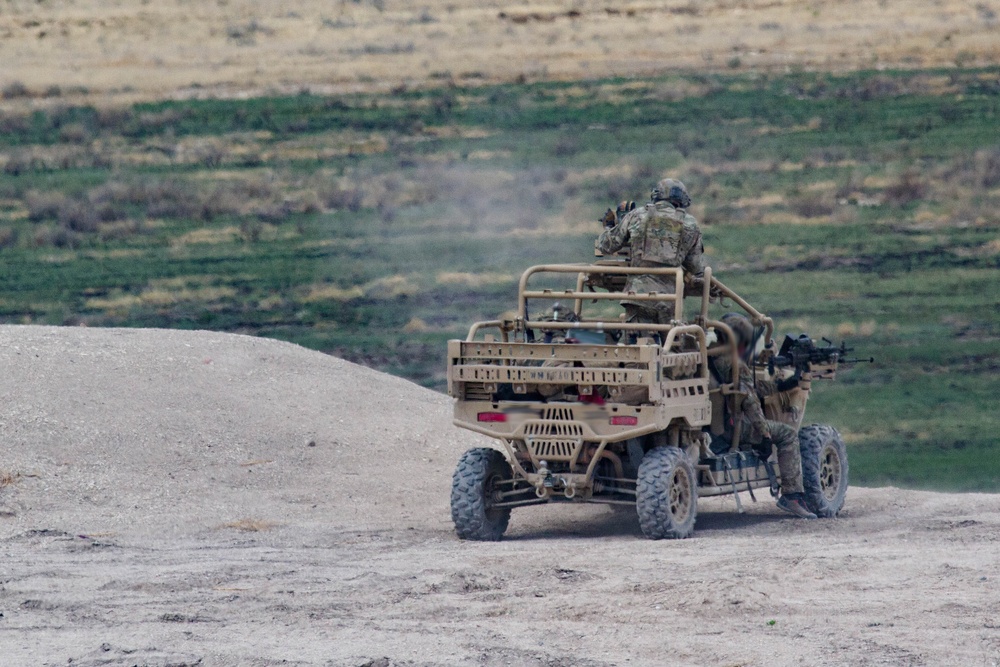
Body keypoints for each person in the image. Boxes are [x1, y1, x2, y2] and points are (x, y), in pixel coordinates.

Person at [709, 313, 822, 520]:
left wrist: (783, 385)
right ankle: (792, 495)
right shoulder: (735, 363)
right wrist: (765, 434)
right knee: (787, 434)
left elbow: (748, 386)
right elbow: (749, 400)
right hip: (733, 427)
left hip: (712, 426)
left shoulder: (710, 355)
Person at [597, 179, 707, 324]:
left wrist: (609, 226)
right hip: (670, 300)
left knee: (637, 344)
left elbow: (606, 245)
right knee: (674, 343)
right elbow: (696, 267)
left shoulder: (637, 215)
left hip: (638, 297)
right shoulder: (690, 224)